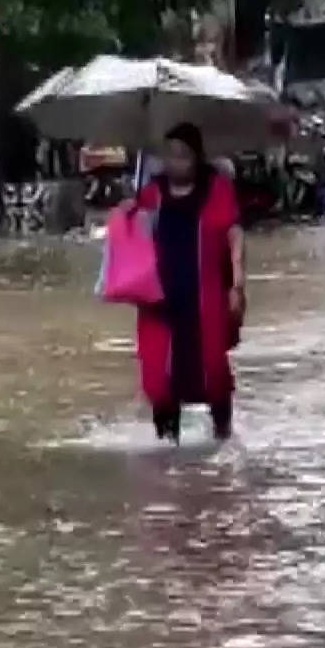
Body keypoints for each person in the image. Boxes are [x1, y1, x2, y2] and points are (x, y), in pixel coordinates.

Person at [133, 123, 245, 444]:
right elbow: (134, 242)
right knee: (159, 376)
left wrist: (237, 284)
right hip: (159, 300)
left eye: (182, 155)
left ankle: (224, 437)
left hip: (205, 297)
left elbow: (234, 235)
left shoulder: (217, 189)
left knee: (213, 371)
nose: (175, 163)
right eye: (169, 155)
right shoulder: (151, 194)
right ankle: (168, 447)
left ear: (197, 157)